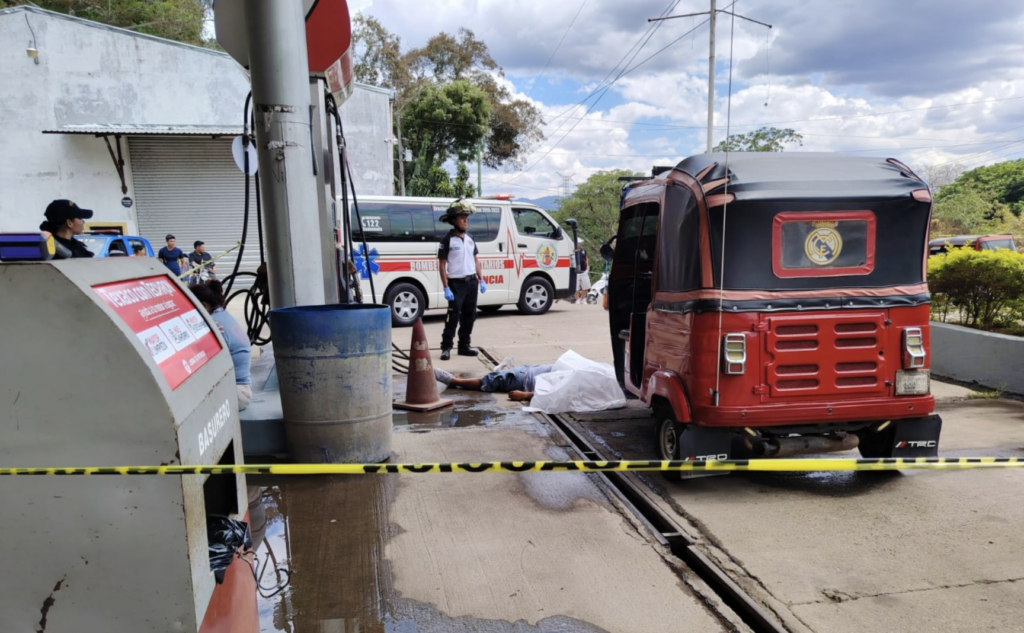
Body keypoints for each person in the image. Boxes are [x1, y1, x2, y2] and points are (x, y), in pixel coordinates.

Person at [189, 280, 252, 411]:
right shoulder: (222, 317)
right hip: (240, 390)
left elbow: (198, 365)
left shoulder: (215, 326)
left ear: (203, 306)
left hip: (236, 393)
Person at [437, 199, 485, 361]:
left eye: (467, 218)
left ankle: (464, 345)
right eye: (462, 218)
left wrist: (481, 279)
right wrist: (446, 287)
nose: (465, 221)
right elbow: (442, 266)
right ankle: (446, 347)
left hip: (471, 282)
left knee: (470, 315)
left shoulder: (470, 239)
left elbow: (475, 260)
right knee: (453, 315)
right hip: (456, 284)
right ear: (453, 221)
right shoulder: (447, 240)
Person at [433, 364, 553, 402]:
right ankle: (505, 370)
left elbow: (557, 394)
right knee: (502, 375)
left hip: (523, 381)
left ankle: (455, 381)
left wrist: (525, 395)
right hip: (529, 371)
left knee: (489, 381)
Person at [573, 237, 591, 303]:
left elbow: (586, 258)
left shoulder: (583, 250)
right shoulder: (573, 251)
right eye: (579, 243)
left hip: (584, 270)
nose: (580, 244)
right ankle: (577, 299)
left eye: (581, 243)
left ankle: (582, 299)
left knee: (586, 286)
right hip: (576, 271)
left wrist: (587, 265)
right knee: (576, 287)